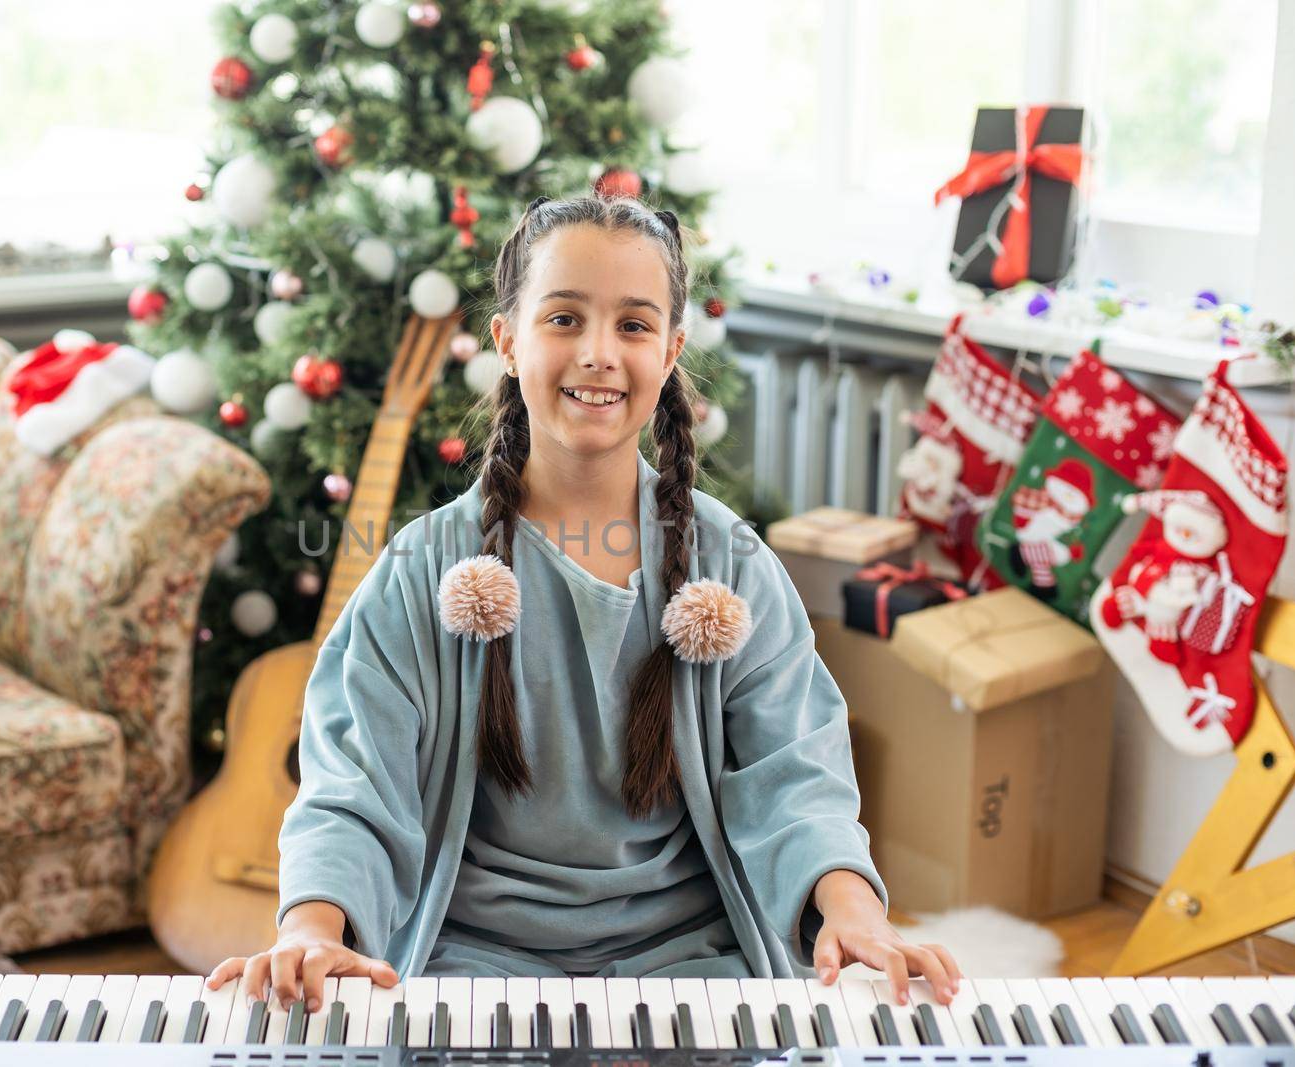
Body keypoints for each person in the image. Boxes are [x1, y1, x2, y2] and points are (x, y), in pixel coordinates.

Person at [206, 195, 960, 1021]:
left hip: (694, 960)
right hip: (474, 963)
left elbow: (798, 773)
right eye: (564, 317)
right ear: (507, 339)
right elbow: (353, 784)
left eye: (634, 326)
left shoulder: (733, 562)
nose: (598, 354)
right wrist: (313, 926)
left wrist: (854, 911)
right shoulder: (421, 569)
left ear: (672, 351)